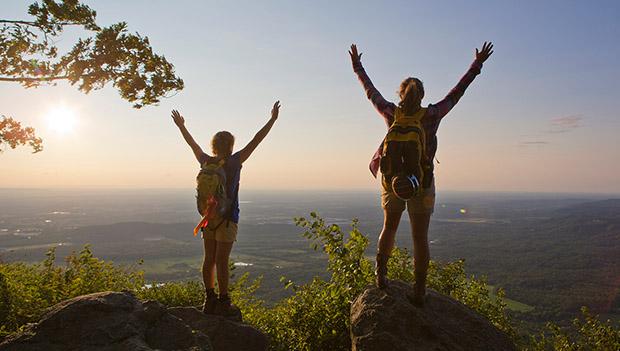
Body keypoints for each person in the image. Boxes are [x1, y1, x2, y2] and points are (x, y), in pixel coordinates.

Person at [349, 42, 493, 305]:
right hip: (422, 181)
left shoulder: (392, 113)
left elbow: (371, 93)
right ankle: (419, 289)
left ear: (401, 94)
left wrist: (358, 66)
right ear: (422, 94)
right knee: (420, 237)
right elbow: (457, 93)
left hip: (391, 182)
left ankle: (381, 276)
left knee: (388, 228)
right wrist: (477, 65)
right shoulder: (432, 114)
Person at [171, 101, 281, 314]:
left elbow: (192, 144)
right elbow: (256, 140)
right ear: (230, 145)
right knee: (222, 260)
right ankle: (223, 300)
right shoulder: (234, 161)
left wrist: (181, 126)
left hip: (208, 217)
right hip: (228, 218)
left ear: (213, 146)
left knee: (208, 260)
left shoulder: (205, 161)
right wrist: (272, 119)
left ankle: (209, 298)